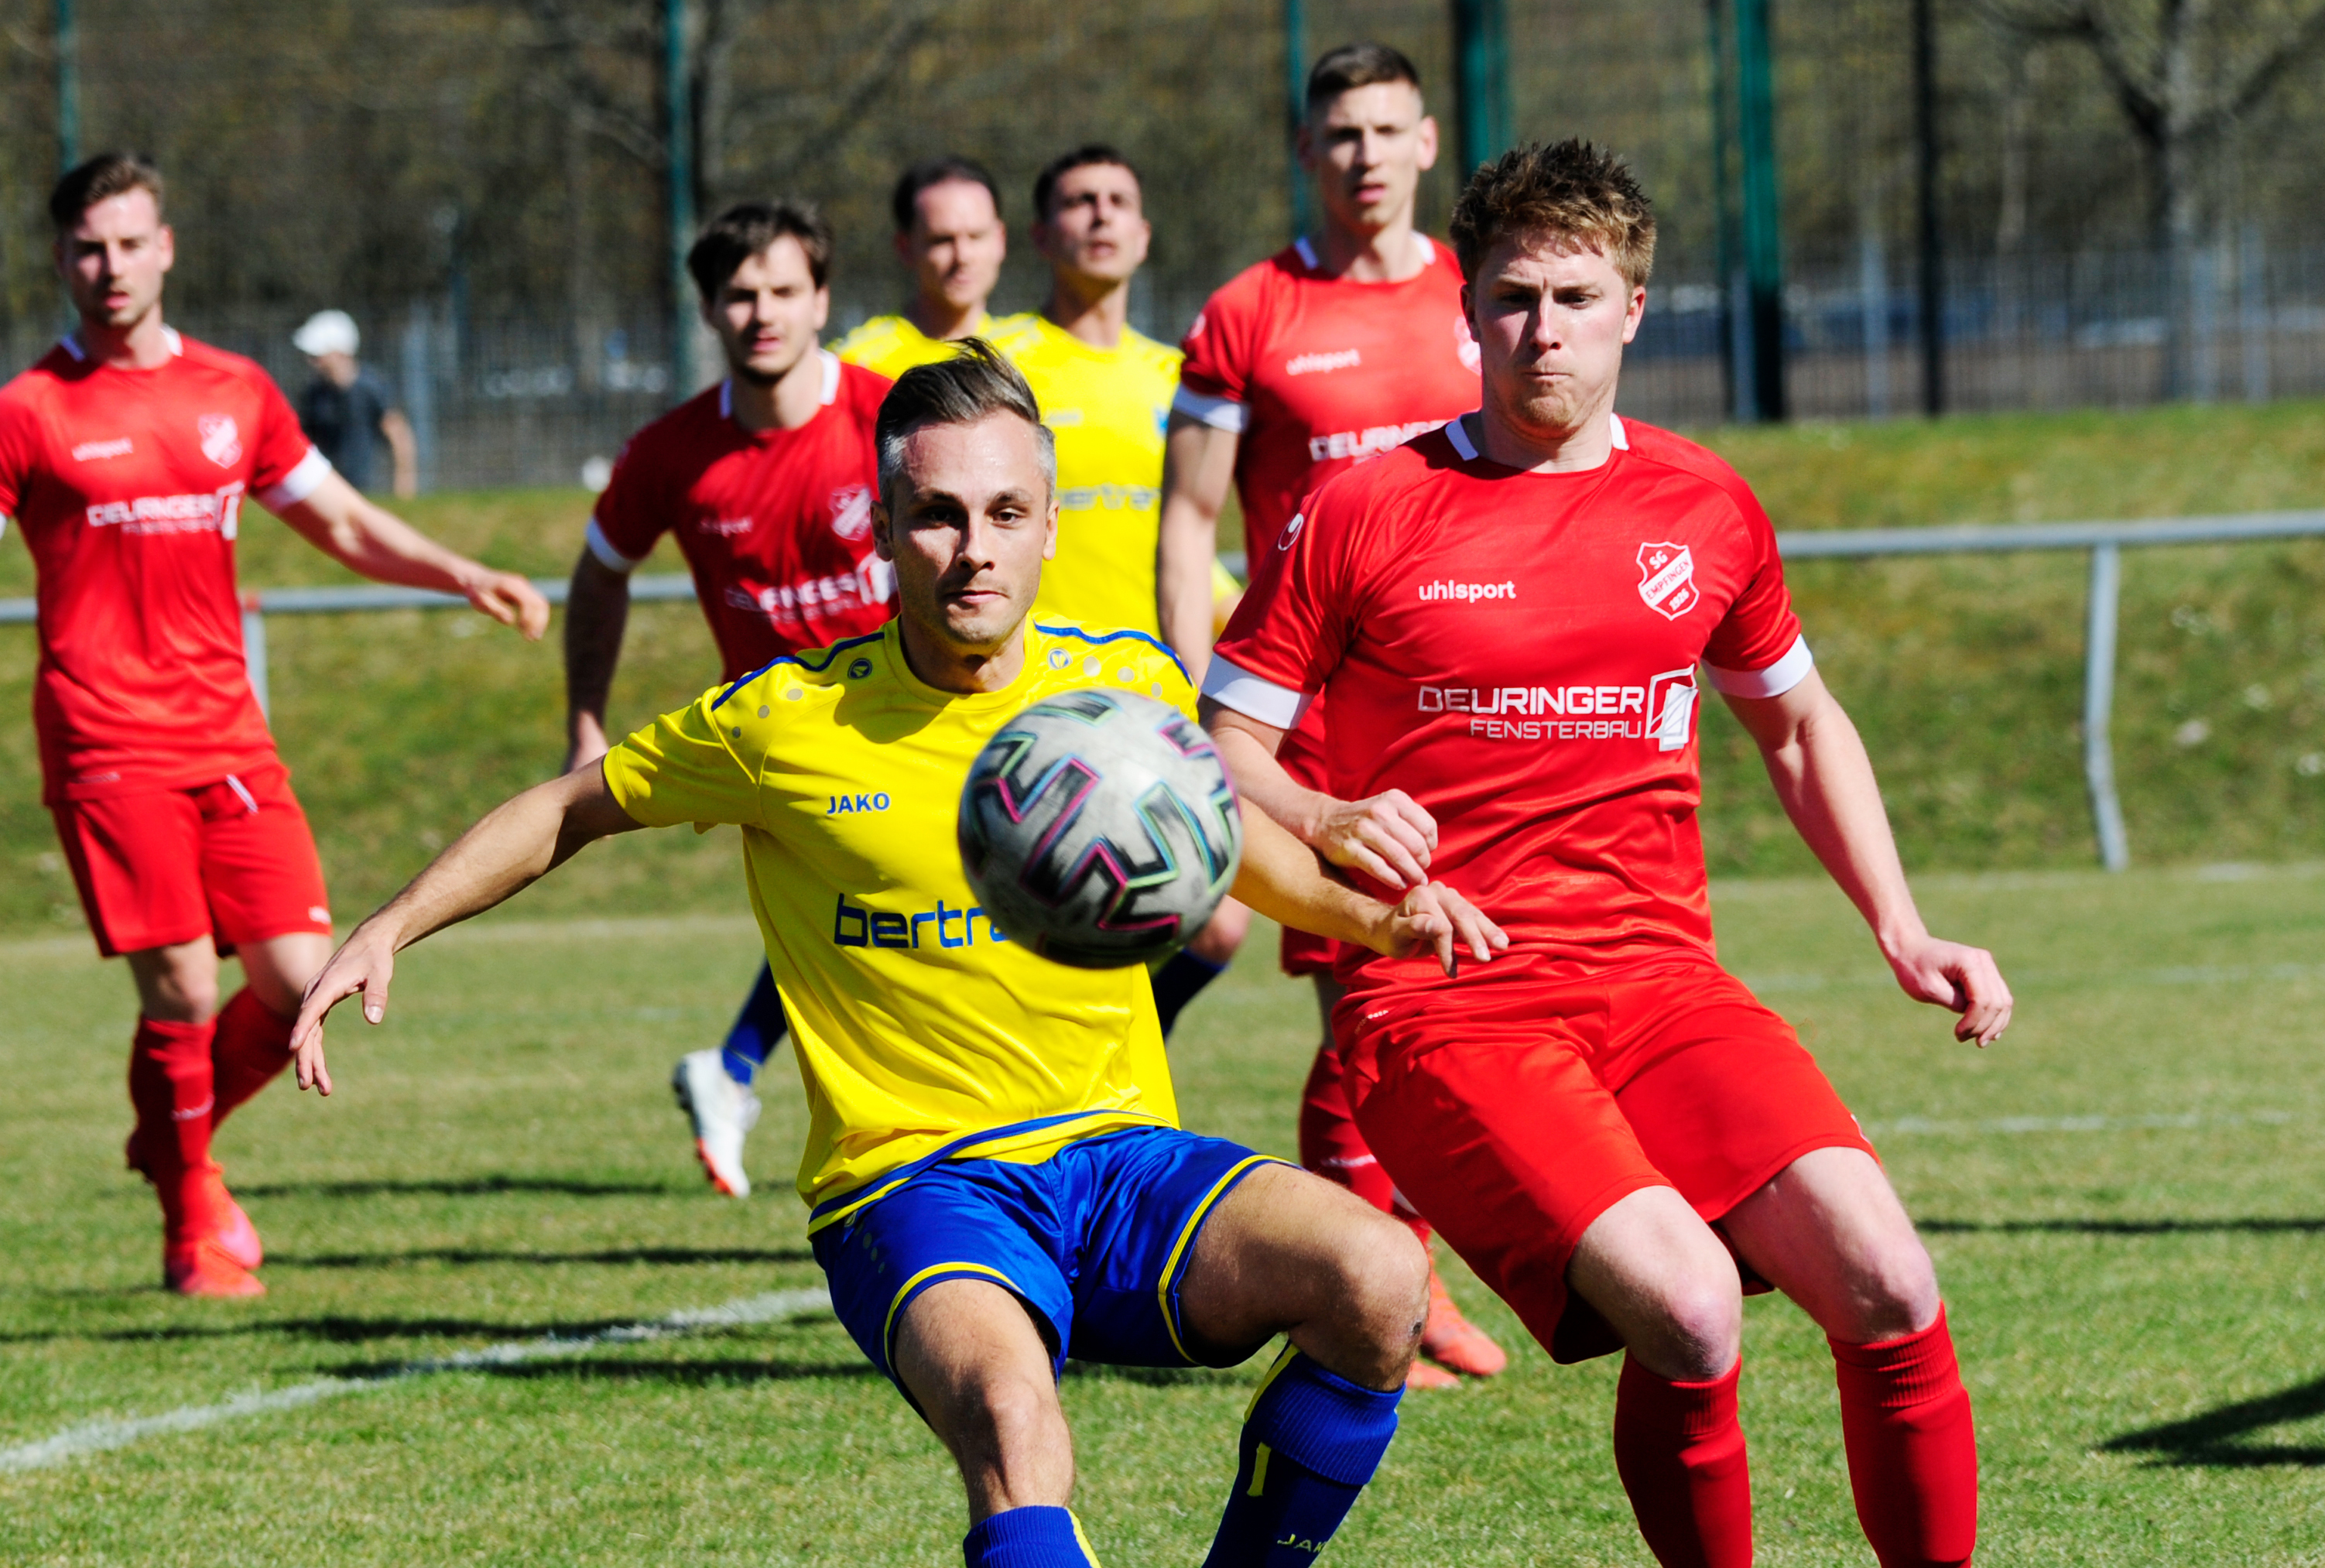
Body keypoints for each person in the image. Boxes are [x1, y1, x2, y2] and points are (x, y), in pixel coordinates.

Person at [292, 343, 1507, 1568]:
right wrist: (390, 922)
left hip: (1117, 1156)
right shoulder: (787, 720)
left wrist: (1375, 919)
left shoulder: (1125, 687)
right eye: (937, 513)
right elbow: (570, 807)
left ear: (1049, 527)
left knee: (1375, 1274)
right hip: (914, 1182)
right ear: (881, 529)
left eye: (1006, 512)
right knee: (1013, 1420)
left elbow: (1224, 841)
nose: (974, 547)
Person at [1203, 138, 2008, 1568]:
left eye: (1575, 297)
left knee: (1888, 1276)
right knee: (1690, 1306)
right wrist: (1326, 818)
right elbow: (1220, 742)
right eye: (1513, 297)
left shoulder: (1703, 504)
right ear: (1467, 307)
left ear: (1634, 307)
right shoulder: (1365, 506)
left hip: (1660, 985)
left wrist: (1902, 923)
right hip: (1441, 996)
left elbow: (1797, 723)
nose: (1543, 331)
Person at [0, 152, 550, 1297]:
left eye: (130, 242)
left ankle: (173, 1136)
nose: (110, 267)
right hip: (106, 742)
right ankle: (190, 1221)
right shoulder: (29, 410)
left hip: (231, 739)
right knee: (183, 994)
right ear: (61, 260)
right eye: (88, 248)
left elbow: (339, 520)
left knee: (302, 979)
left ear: (166, 248)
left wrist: (460, 571)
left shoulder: (234, 390)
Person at [1155, 41, 1505, 1386]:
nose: (1363, 154)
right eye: (1339, 133)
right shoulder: (1249, 310)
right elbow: (1189, 517)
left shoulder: (1480, 298)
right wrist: (1202, 710)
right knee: (1364, 998)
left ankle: (1407, 1272)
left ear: (1427, 143)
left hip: (1463, 710)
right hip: (1309, 724)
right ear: (1307, 152)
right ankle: (1382, 1299)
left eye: (1384, 129)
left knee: (1449, 991)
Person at [561, 200, 894, 1200]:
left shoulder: (890, 420)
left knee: (869, 929)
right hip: (781, 746)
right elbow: (600, 571)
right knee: (870, 926)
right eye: (740, 294)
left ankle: (739, 1070)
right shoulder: (672, 452)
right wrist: (586, 717)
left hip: (911, 720)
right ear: (707, 308)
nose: (763, 313)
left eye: (785, 290)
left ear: (822, 300)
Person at [992, 144, 1248, 1044]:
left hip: (1152, 694)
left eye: (1117, 200)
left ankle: (1128, 1050)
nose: (1099, 214)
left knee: (1218, 920)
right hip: (1033, 696)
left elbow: (1189, 540)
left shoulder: (1182, 375)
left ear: (1143, 234)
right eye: (1078, 200)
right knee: (1041, 926)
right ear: (1039, 234)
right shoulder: (1003, 362)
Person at [834, 156, 1025, 380]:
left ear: (1000, 240)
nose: (963, 257)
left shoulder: (1039, 354)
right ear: (905, 247)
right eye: (942, 240)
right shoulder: (856, 365)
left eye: (976, 236)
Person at [291, 309, 418, 498]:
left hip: (369, 491)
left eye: (318, 355)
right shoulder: (313, 394)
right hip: (328, 492)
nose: (311, 361)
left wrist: (404, 488)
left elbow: (399, 436)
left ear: (340, 352)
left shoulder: (371, 387)